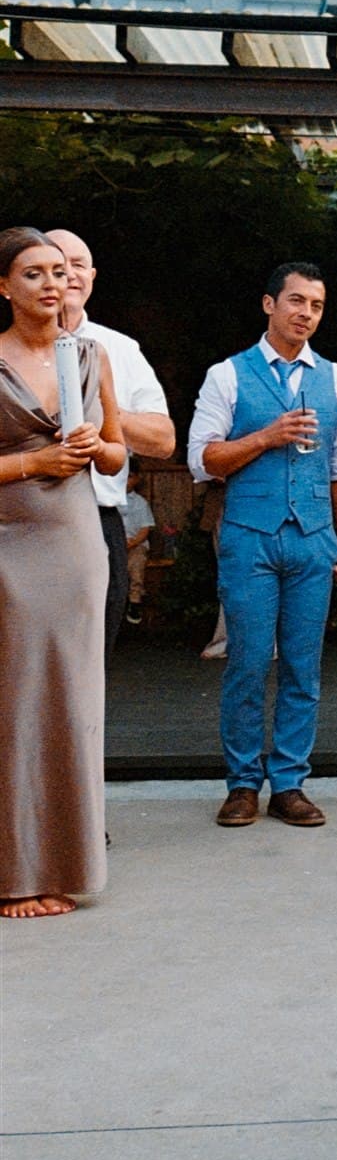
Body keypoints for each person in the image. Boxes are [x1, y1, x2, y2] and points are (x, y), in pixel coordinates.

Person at [187, 261, 337, 829]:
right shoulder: (228, 375)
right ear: (269, 304)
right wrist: (267, 436)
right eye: (295, 301)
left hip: (313, 539)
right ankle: (242, 784)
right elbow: (203, 459)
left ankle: (289, 782)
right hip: (249, 538)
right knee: (246, 662)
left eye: (315, 305)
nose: (304, 313)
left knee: (303, 668)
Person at [0, 227, 125, 918]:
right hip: (8, 542)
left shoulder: (89, 353)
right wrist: (33, 463)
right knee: (15, 703)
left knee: (72, 704)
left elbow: (115, 454)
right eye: (33, 273)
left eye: (59, 271)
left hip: (76, 544)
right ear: (4, 287)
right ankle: (13, 874)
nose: (51, 284)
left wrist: (93, 446)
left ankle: (64, 865)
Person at [44, 229, 176, 659]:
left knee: (92, 662)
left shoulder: (118, 349)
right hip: (23, 517)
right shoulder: (9, 354)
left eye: (78, 264)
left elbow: (163, 439)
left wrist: (99, 410)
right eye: (54, 264)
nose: (68, 274)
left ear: (92, 277)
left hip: (99, 517)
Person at [120, 460, 155, 625]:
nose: (125, 481)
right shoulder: (107, 501)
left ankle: (134, 600)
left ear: (136, 479)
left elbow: (145, 528)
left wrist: (132, 543)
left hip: (134, 545)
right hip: (113, 545)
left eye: (130, 477)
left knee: (137, 563)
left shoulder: (140, 503)